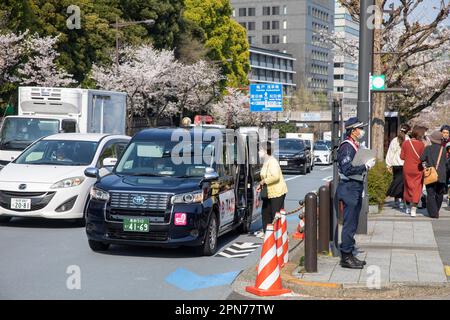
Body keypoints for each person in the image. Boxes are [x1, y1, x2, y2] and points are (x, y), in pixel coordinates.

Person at [336, 117, 376, 269]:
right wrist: (365, 166)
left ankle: (350, 253)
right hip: (349, 188)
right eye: (360, 128)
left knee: (352, 223)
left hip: (354, 187)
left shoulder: (354, 145)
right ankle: (346, 256)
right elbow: (347, 169)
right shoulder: (347, 147)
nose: (362, 131)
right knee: (349, 224)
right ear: (353, 131)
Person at [255, 141, 288, 238]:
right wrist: (261, 184)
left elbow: (275, 177)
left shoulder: (272, 161)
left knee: (275, 214)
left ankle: (279, 235)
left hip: (277, 192)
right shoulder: (266, 162)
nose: (258, 152)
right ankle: (268, 232)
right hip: (268, 192)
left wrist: (263, 182)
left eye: (260, 150)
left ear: (265, 151)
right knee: (265, 212)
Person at [400, 125, 426, 217]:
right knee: (417, 187)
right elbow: (423, 158)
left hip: (407, 168)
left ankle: (407, 206)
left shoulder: (406, 143)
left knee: (407, 187)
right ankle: (413, 209)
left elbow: (402, 157)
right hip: (418, 169)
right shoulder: (421, 144)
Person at [421, 130, 447, 219]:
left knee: (431, 193)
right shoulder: (443, 149)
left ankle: (434, 213)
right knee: (439, 193)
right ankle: (436, 209)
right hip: (442, 174)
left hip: (431, 174)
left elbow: (422, 158)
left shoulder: (428, 148)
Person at [385, 124, 411, 209]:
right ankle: (403, 200)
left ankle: (397, 200)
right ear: (408, 131)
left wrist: (388, 164)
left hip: (396, 164)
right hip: (405, 164)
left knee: (396, 181)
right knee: (403, 184)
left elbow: (390, 152)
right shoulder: (408, 140)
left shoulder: (395, 140)